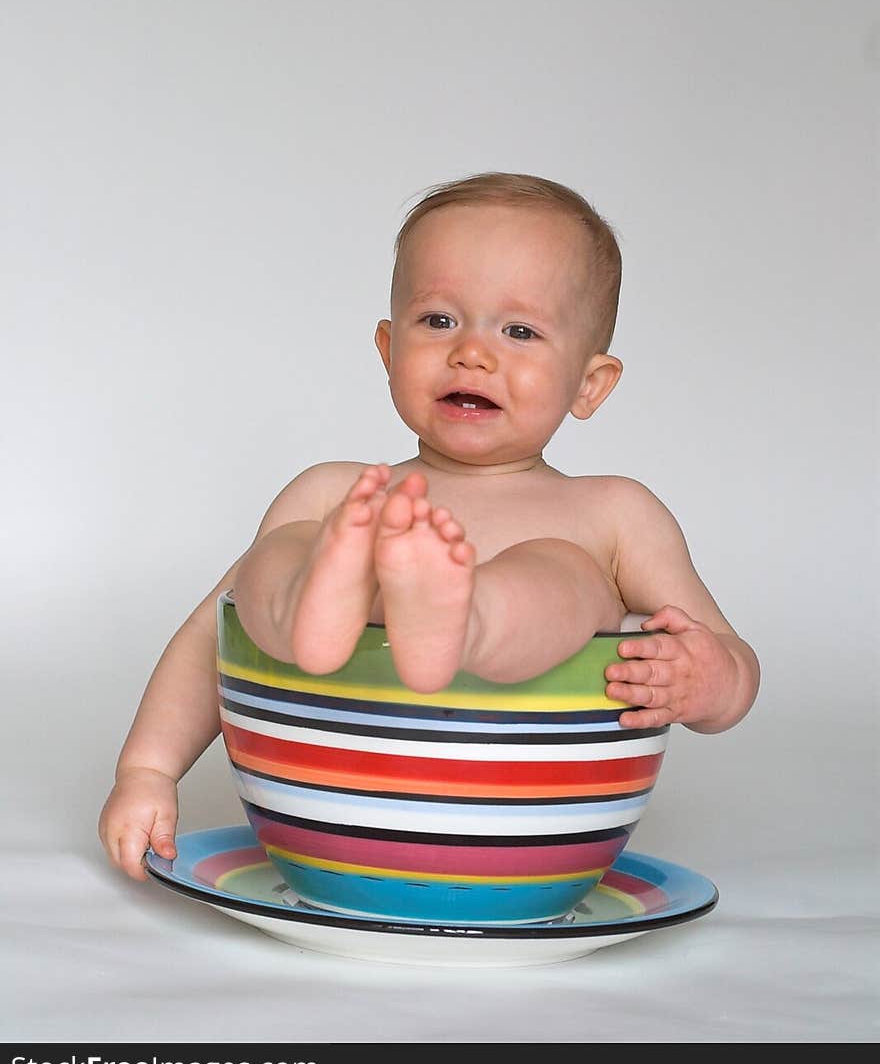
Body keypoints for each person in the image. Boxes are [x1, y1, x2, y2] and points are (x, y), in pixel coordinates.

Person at [99, 172, 760, 881]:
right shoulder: (342, 497)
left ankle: (464, 620)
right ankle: (307, 611)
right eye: (439, 319)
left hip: (512, 829)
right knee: (292, 541)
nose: (472, 351)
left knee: (561, 567)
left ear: (588, 384)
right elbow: (212, 636)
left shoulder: (613, 513)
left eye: (520, 330)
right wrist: (145, 769)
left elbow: (727, 654)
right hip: (331, 820)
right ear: (388, 350)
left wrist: (708, 678)